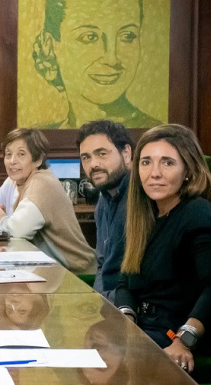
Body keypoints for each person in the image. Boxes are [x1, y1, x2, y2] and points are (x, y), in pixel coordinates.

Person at [113, 124, 211, 374]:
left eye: (167, 163)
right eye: (146, 162)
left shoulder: (198, 214)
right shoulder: (146, 216)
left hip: (177, 333)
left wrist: (184, 339)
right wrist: (126, 321)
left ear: (188, 170)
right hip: (145, 328)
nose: (154, 173)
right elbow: (125, 280)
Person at [32, 0, 162, 129]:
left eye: (127, 36)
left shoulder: (157, 134)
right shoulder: (40, 136)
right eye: (89, 37)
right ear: (51, 45)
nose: (112, 59)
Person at [0, 128, 96, 274]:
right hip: (51, 270)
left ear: (38, 160)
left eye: (21, 154)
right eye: (8, 154)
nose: (12, 161)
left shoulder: (42, 183)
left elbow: (18, 230)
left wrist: (0, 219)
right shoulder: (15, 180)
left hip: (77, 273)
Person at [77, 120, 134, 301]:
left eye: (102, 154)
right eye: (86, 157)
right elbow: (103, 265)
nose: (93, 164)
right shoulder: (104, 200)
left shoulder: (142, 199)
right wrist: (98, 302)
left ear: (126, 153)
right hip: (109, 304)